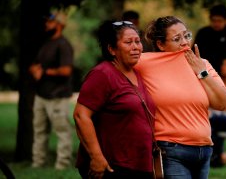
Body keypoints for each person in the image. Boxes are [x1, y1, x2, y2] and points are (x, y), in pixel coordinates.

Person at [135, 16, 226, 179]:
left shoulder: (203, 64)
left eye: (186, 35)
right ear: (160, 44)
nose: (185, 42)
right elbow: (116, 62)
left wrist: (202, 72)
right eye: (177, 39)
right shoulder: (145, 63)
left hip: (204, 150)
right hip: (171, 149)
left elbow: (221, 103)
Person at [73, 20, 155, 179]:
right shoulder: (102, 74)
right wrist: (96, 157)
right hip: (112, 166)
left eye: (138, 41)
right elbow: (81, 116)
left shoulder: (137, 73)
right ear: (111, 49)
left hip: (140, 164)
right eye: (128, 42)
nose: (136, 47)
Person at [29, 11, 74, 170]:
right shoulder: (46, 43)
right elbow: (37, 65)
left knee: (62, 131)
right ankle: (38, 163)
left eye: (50, 22)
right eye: (47, 21)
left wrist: (44, 71)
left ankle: (62, 165)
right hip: (41, 95)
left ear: (60, 25)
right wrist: (34, 69)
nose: (47, 24)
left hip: (57, 96)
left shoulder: (64, 44)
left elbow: (66, 71)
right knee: (39, 131)